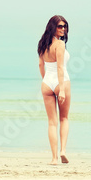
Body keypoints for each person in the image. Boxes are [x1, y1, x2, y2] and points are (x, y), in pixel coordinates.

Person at [37, 15, 71, 165]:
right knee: (63, 118)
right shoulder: (60, 44)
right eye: (59, 26)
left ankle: (54, 158)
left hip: (46, 83)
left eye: (64, 26)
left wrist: (46, 80)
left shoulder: (42, 43)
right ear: (53, 27)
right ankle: (62, 151)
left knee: (52, 122)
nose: (63, 29)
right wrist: (61, 89)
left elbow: (40, 65)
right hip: (60, 82)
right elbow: (60, 67)